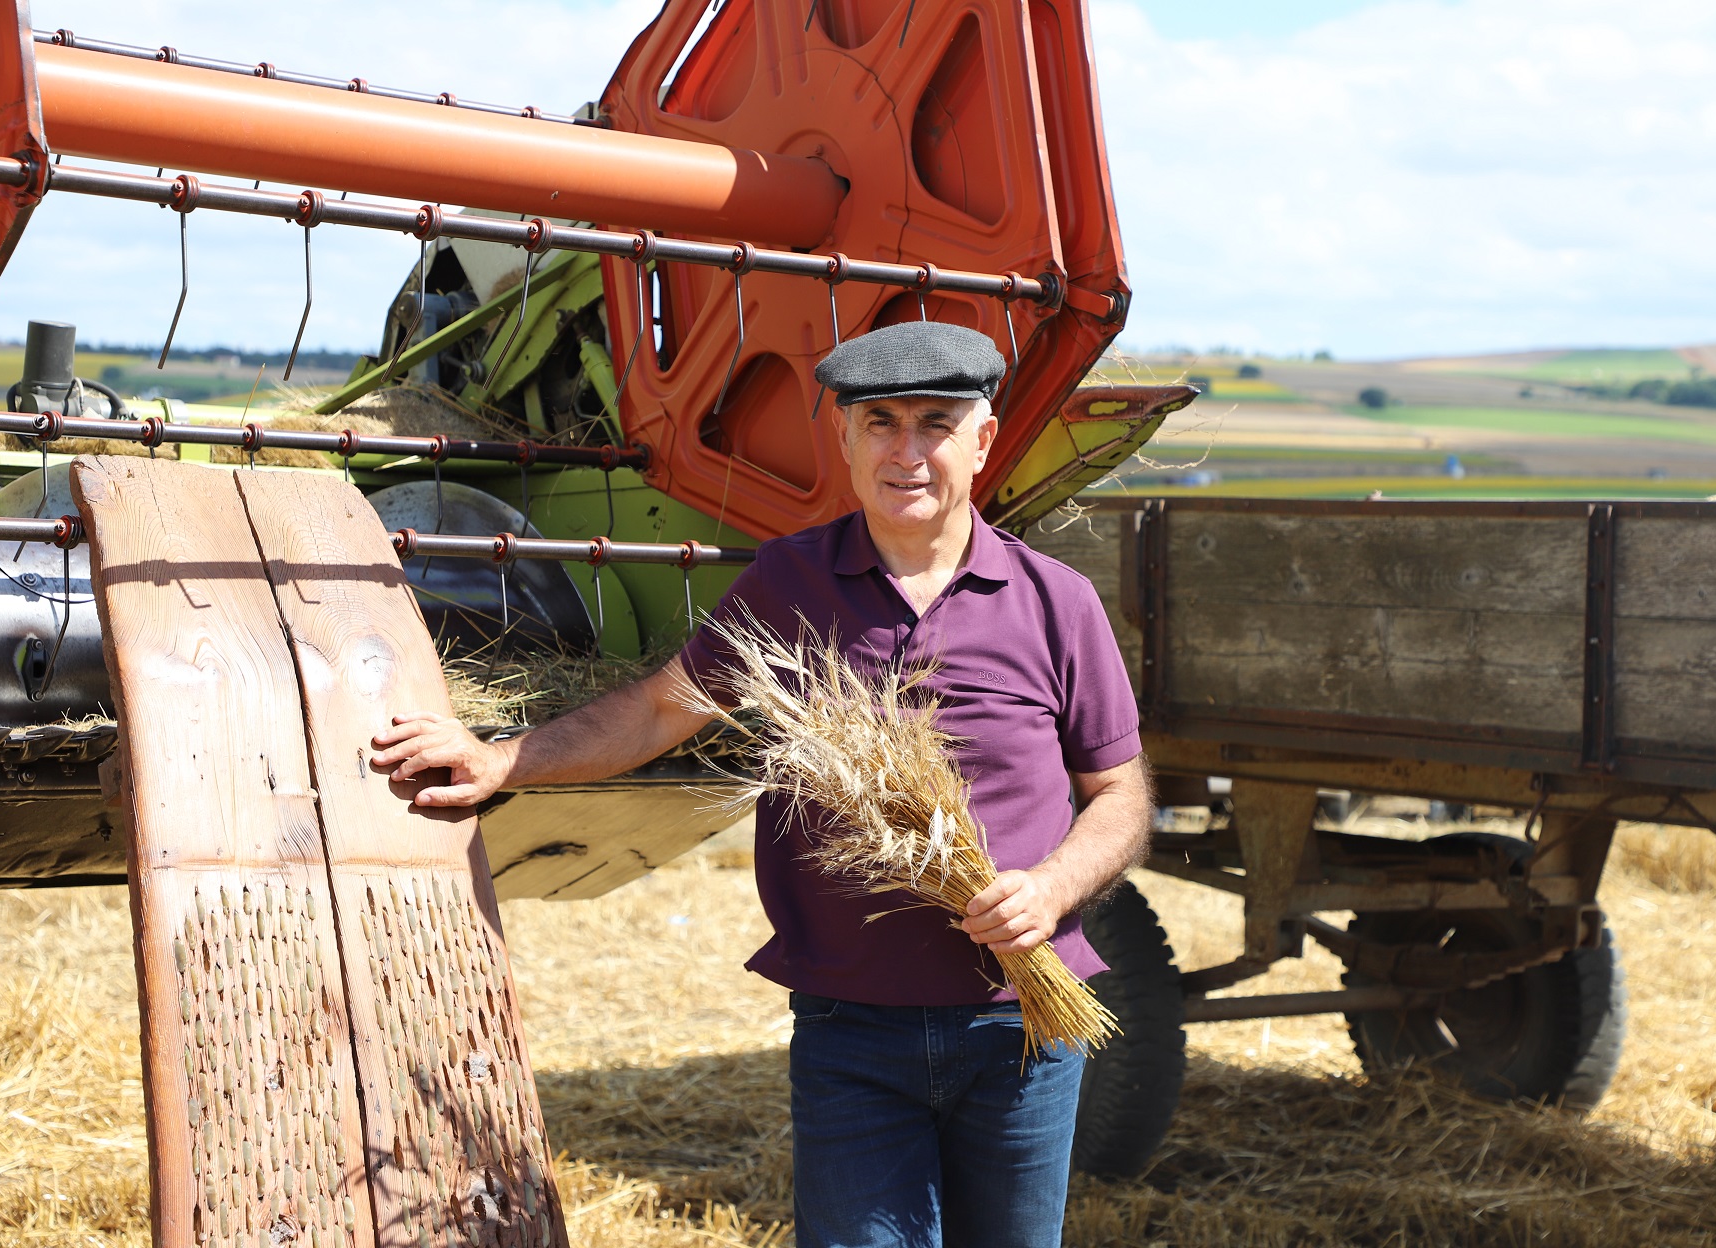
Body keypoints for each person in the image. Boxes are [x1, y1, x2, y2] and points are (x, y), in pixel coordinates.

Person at [370, 319, 1153, 1248]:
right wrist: (506, 756)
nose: (907, 452)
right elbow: (663, 711)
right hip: (852, 1032)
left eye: (936, 424)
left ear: (982, 441)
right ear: (845, 440)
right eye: (880, 424)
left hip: (1020, 1025)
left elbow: (1121, 795)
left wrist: (1054, 886)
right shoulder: (794, 584)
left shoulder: (1054, 599)